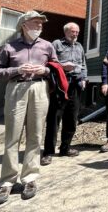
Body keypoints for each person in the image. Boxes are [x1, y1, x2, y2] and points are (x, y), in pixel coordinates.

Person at [0, 11, 57, 205]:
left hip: (39, 88)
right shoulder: (10, 46)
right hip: (16, 88)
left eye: (41, 24)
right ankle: (7, 181)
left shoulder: (47, 45)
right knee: (12, 136)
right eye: (36, 23)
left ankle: (30, 178)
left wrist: (45, 70)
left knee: (35, 135)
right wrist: (17, 70)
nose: (40, 26)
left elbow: (55, 67)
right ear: (24, 25)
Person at [41, 22, 87, 165]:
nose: (75, 34)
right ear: (66, 31)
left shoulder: (79, 46)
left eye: (77, 32)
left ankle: (65, 148)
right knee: (54, 119)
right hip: (60, 86)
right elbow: (48, 63)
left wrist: (84, 78)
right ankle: (48, 152)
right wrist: (63, 66)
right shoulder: (56, 44)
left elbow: (84, 64)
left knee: (71, 118)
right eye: (73, 32)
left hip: (75, 85)